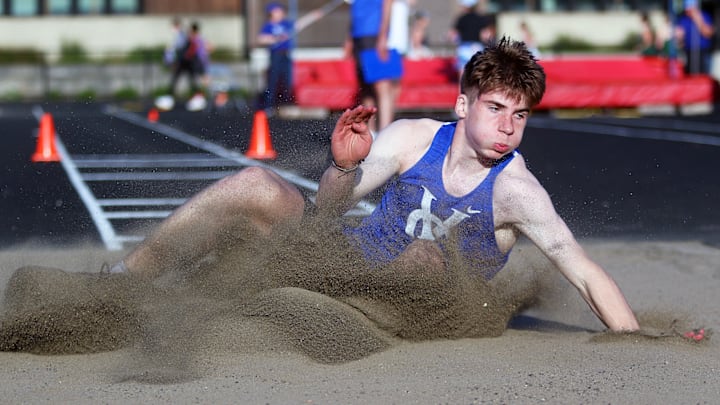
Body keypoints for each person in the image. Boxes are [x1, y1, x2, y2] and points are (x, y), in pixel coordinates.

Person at [109, 37, 640, 333]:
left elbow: (583, 271)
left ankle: (287, 304)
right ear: (463, 104)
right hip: (341, 266)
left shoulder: (517, 191)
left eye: (520, 116)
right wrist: (343, 167)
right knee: (255, 182)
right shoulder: (411, 138)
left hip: (418, 308)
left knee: (428, 257)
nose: (507, 127)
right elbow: (328, 210)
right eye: (496, 108)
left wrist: (636, 340)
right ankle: (122, 280)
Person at [345, 0, 403, 131]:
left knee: (382, 86)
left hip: (374, 35)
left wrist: (382, 36)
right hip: (359, 36)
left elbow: (387, 4)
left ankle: (385, 131)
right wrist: (349, 39)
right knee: (366, 89)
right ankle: (369, 132)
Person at [257, 2, 325, 114]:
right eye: (277, 11)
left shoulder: (286, 24)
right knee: (272, 81)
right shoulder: (268, 26)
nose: (280, 13)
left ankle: (285, 105)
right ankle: (268, 106)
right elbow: (261, 39)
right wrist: (277, 38)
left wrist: (313, 16)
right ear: (271, 13)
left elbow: (300, 24)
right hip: (275, 56)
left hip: (286, 55)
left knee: (287, 81)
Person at [447, 0, 493, 77]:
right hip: (476, 47)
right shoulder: (481, 18)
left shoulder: (461, 18)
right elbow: (485, 35)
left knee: (463, 72)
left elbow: (453, 35)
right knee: (477, 72)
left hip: (464, 47)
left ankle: (461, 88)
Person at [675, 0, 715, 75]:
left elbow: (708, 33)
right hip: (688, 51)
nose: (687, 11)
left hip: (702, 51)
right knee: (689, 74)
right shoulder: (683, 19)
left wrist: (698, 19)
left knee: (703, 74)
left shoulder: (704, 16)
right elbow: (680, 37)